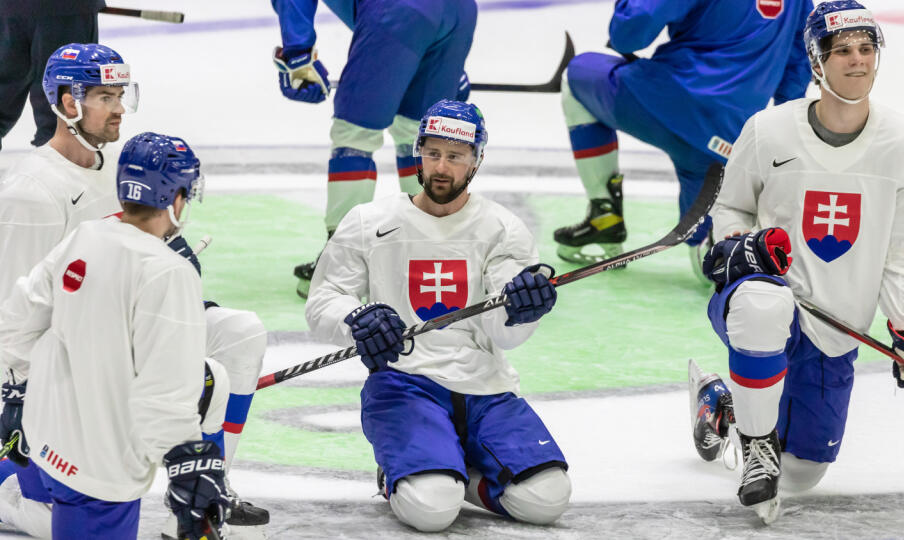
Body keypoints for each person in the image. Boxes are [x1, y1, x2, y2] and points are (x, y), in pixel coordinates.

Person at [688, 0, 904, 524]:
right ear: (815, 60)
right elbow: (730, 206)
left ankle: (721, 404)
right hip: (763, 300)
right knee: (762, 302)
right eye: (842, 50)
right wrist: (739, 242)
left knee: (803, 471)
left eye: (866, 49)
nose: (857, 61)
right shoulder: (768, 130)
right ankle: (756, 447)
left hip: (838, 321)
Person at [0, 44, 269, 537]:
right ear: (66, 101)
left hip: (116, 328)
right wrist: (15, 395)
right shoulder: (31, 192)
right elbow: (15, 320)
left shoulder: (114, 167)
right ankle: (8, 492)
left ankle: (204, 487)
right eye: (105, 95)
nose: (120, 108)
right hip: (66, 364)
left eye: (121, 94)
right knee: (200, 378)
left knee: (239, 333)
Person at [305, 100, 572, 532]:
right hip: (404, 383)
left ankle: (455, 472)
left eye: (455, 156)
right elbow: (322, 302)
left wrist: (522, 309)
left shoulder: (502, 228)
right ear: (418, 154)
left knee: (547, 500)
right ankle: (419, 472)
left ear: (476, 160)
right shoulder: (368, 222)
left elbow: (503, 333)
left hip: (485, 387)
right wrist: (356, 319)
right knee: (431, 510)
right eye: (432, 153)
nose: (441, 167)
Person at [0, 132, 230, 540]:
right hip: (100, 465)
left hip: (49, 444)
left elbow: (18, 317)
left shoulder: (84, 236)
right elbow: (166, 387)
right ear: (176, 197)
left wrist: (16, 390)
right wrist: (186, 459)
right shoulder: (169, 271)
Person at [554, 0, 813, 283]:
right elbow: (798, 63)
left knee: (578, 72)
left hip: (668, 104)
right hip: (731, 136)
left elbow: (628, 35)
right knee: (709, 266)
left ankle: (604, 214)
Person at [270, 0, 476, 298]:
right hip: (459, 12)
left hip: (397, 13)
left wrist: (298, 55)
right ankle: (430, 253)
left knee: (355, 135)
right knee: (418, 134)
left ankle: (342, 259)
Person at [0, 0, 104, 151]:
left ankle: (55, 155)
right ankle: (56, 160)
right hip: (64, 9)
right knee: (61, 96)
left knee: (5, 86)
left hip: (10, 8)